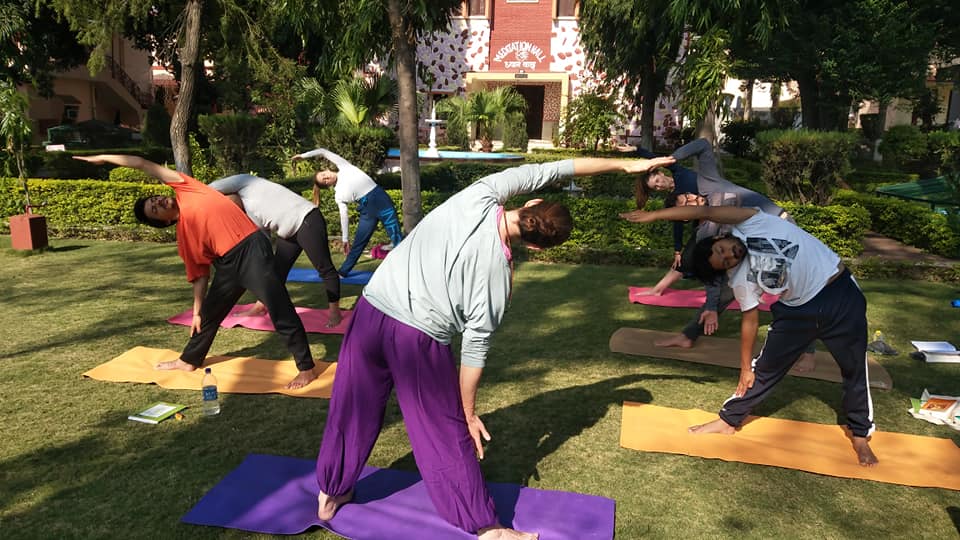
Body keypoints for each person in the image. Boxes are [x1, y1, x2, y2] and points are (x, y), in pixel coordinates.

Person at [314, 156, 669, 539]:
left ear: (532, 203)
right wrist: (467, 413)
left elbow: (558, 169)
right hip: (416, 338)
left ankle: (331, 492)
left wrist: (625, 166)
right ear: (537, 247)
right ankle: (487, 528)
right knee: (443, 432)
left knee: (352, 407)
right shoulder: (498, 278)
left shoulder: (481, 194)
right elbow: (473, 352)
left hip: (371, 310)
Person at [621, 204, 878, 467]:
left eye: (722, 250)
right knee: (762, 370)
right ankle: (728, 421)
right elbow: (750, 320)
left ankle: (860, 435)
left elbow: (705, 211)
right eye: (725, 261)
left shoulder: (751, 222)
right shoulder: (739, 278)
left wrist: (654, 215)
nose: (729, 255)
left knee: (854, 368)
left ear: (720, 238)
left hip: (841, 294)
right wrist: (745, 368)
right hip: (797, 313)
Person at [73, 155, 320, 390]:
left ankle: (306, 368)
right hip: (228, 263)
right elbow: (199, 276)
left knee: (278, 307)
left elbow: (141, 163)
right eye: (155, 209)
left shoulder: (186, 188)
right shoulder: (185, 239)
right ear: (165, 222)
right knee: (209, 314)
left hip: (251, 249)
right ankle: (189, 360)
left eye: (155, 199)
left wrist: (104, 158)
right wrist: (196, 312)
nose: (158, 202)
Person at [633, 139, 817, 371]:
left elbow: (702, 145)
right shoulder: (706, 234)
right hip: (753, 246)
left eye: (688, 196)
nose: (693, 199)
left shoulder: (709, 184)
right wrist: (711, 307)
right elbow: (713, 276)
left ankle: (808, 352)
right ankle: (688, 335)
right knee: (728, 291)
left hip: (781, 229)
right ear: (686, 216)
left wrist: (671, 158)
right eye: (687, 203)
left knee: (796, 288)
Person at [208, 174, 342, 326]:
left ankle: (335, 313)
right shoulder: (247, 215)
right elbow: (264, 239)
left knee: (325, 268)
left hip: (307, 219)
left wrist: (193, 198)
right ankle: (260, 307)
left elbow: (209, 189)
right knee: (276, 272)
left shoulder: (245, 183)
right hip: (287, 233)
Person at [292, 148, 404, 276]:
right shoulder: (338, 195)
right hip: (367, 211)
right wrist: (345, 239)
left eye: (324, 175)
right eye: (325, 181)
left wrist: (303, 156)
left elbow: (323, 151)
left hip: (382, 201)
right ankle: (343, 271)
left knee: (396, 236)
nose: (327, 177)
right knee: (359, 243)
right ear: (328, 186)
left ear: (327, 170)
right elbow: (343, 216)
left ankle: (406, 267)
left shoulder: (344, 167)